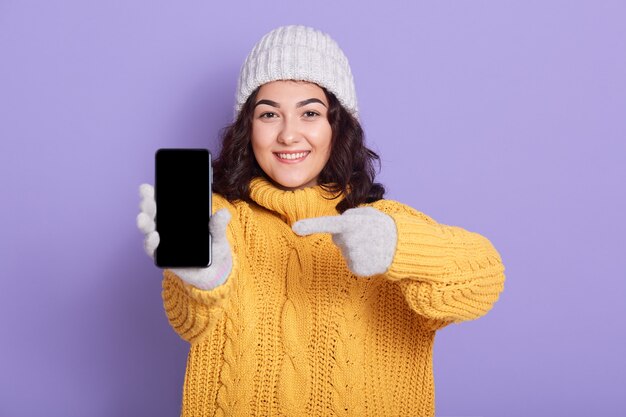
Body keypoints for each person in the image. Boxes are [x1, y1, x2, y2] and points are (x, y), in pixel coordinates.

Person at [137, 25, 505, 417]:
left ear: (338, 126)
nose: (289, 134)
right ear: (248, 128)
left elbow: (485, 276)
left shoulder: (380, 224)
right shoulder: (218, 222)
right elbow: (189, 323)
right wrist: (206, 279)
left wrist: (399, 249)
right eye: (269, 114)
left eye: (310, 113)